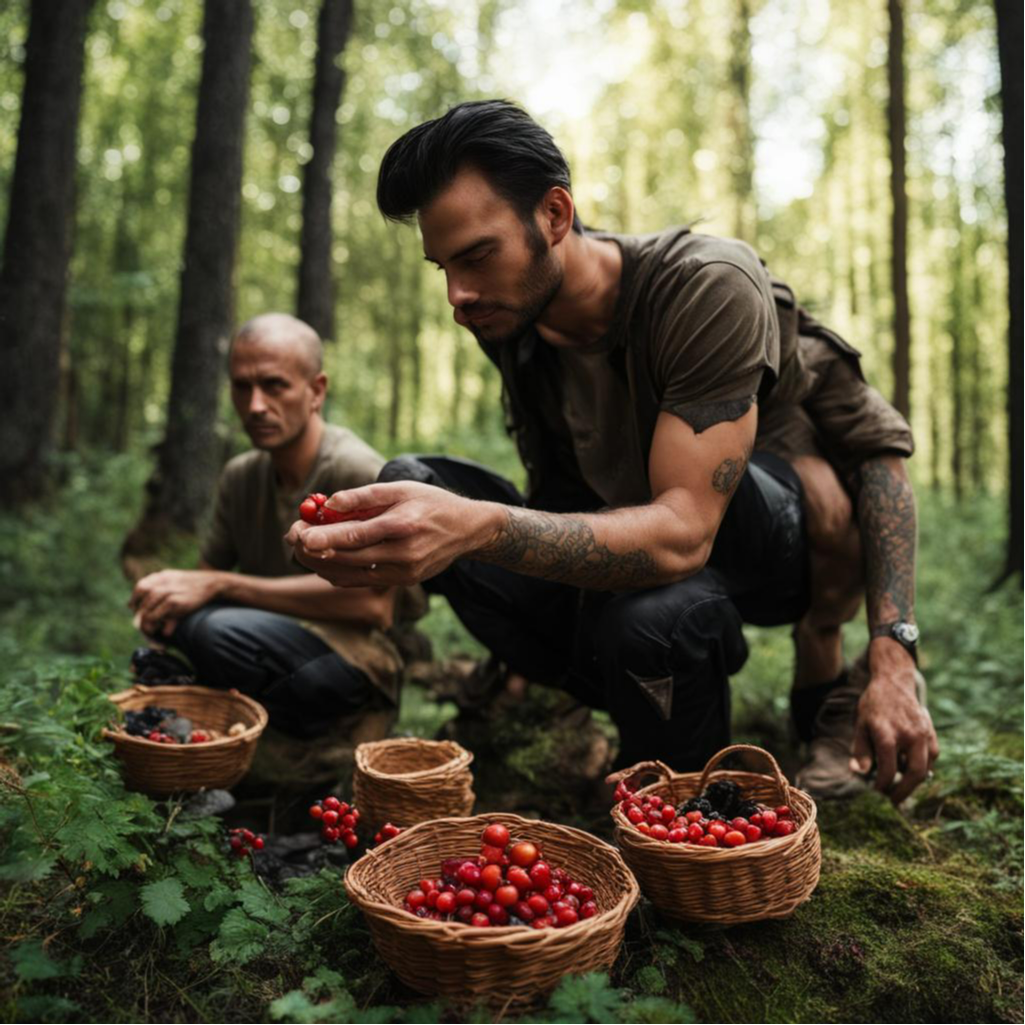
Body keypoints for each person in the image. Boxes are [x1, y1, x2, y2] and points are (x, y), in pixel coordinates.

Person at [286, 101, 938, 804]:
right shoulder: (508, 317)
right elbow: (560, 493)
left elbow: (724, 516)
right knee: (411, 480)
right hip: (641, 552)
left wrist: (892, 654)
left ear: (555, 215)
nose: (457, 296)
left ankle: (771, 728)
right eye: (442, 266)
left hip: (765, 552)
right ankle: (634, 710)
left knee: (659, 602)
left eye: (476, 255)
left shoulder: (704, 285)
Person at [130, 312, 419, 743]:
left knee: (214, 632)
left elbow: (372, 608)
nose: (255, 406)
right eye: (242, 387)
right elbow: (205, 579)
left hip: (354, 658)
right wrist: (167, 605)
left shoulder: (357, 470)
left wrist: (224, 587)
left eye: (274, 385)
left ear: (315, 391)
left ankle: (294, 735)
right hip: (267, 636)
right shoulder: (240, 476)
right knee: (178, 619)